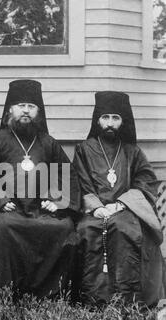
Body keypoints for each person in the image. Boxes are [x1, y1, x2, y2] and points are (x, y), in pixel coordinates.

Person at [0, 79, 80, 298]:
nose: (26, 111)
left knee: (64, 227)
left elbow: (66, 174)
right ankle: (5, 292)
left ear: (38, 112)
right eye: (21, 105)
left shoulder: (48, 142)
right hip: (11, 209)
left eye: (31, 107)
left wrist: (58, 200)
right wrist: (0, 201)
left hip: (41, 208)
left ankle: (49, 293)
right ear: (10, 109)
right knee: (4, 227)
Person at [73, 91, 165, 306]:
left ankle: (127, 298)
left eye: (116, 118)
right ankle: (94, 299)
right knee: (87, 231)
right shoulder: (84, 149)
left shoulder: (133, 151)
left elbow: (145, 181)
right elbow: (79, 181)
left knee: (127, 230)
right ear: (97, 121)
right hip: (95, 211)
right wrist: (96, 207)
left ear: (123, 121)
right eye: (105, 118)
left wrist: (122, 203)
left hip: (126, 210)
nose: (110, 123)